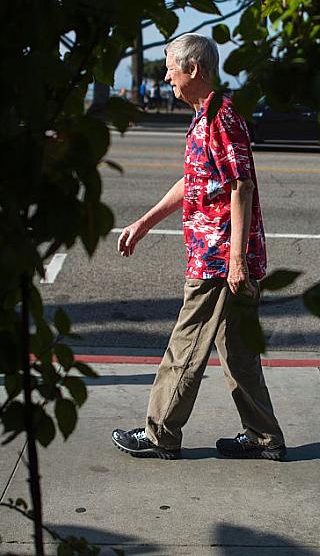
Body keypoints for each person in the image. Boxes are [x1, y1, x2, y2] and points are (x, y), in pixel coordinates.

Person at [111, 33, 286, 461]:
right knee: (240, 352)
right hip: (224, 256)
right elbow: (194, 181)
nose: (167, 74)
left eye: (172, 66)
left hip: (219, 259)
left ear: (195, 69)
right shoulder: (204, 117)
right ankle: (265, 438)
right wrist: (144, 222)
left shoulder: (222, 117)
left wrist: (237, 261)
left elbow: (241, 186)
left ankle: (160, 434)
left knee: (186, 345)